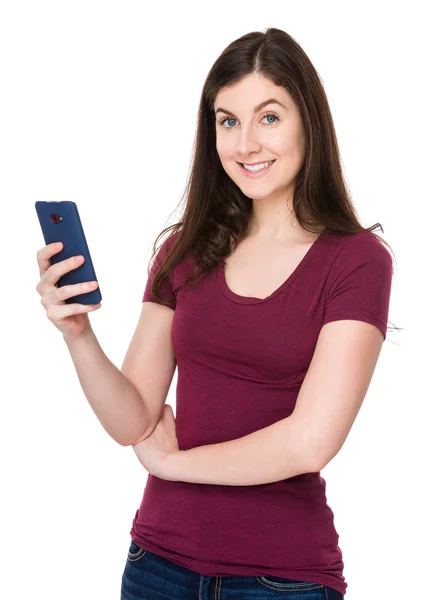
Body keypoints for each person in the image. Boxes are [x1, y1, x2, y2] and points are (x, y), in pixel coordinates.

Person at [36, 28, 397, 600]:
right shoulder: (184, 249)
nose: (246, 143)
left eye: (269, 116)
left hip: (281, 579)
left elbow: (310, 442)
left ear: (309, 120)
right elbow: (133, 420)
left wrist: (174, 465)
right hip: (156, 565)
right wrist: (78, 335)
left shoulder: (356, 261)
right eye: (227, 121)